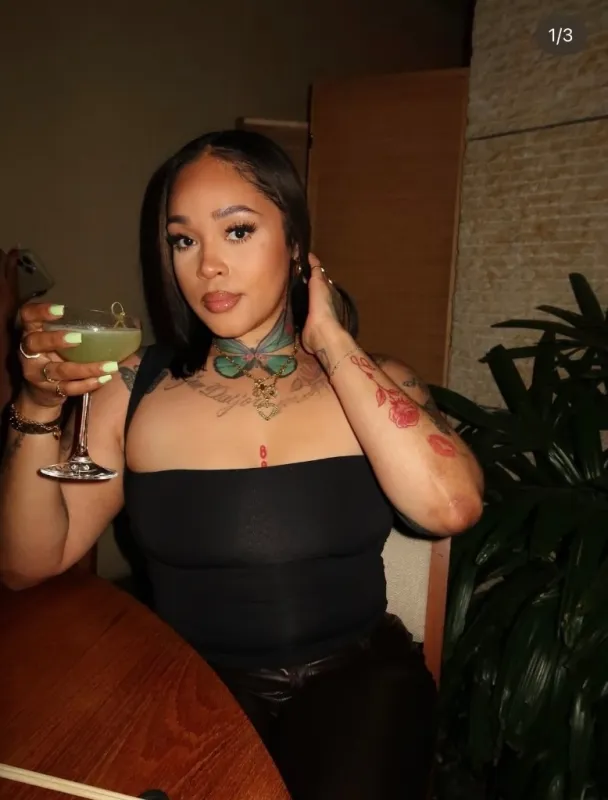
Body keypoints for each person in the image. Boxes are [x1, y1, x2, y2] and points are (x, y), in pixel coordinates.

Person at [0, 130, 483, 799]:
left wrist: (331, 337)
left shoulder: (376, 381)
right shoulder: (132, 387)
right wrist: (37, 404)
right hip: (191, 679)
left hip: (361, 682)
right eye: (183, 240)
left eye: (237, 231)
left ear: (295, 244)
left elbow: (452, 507)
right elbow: (27, 562)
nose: (207, 267)